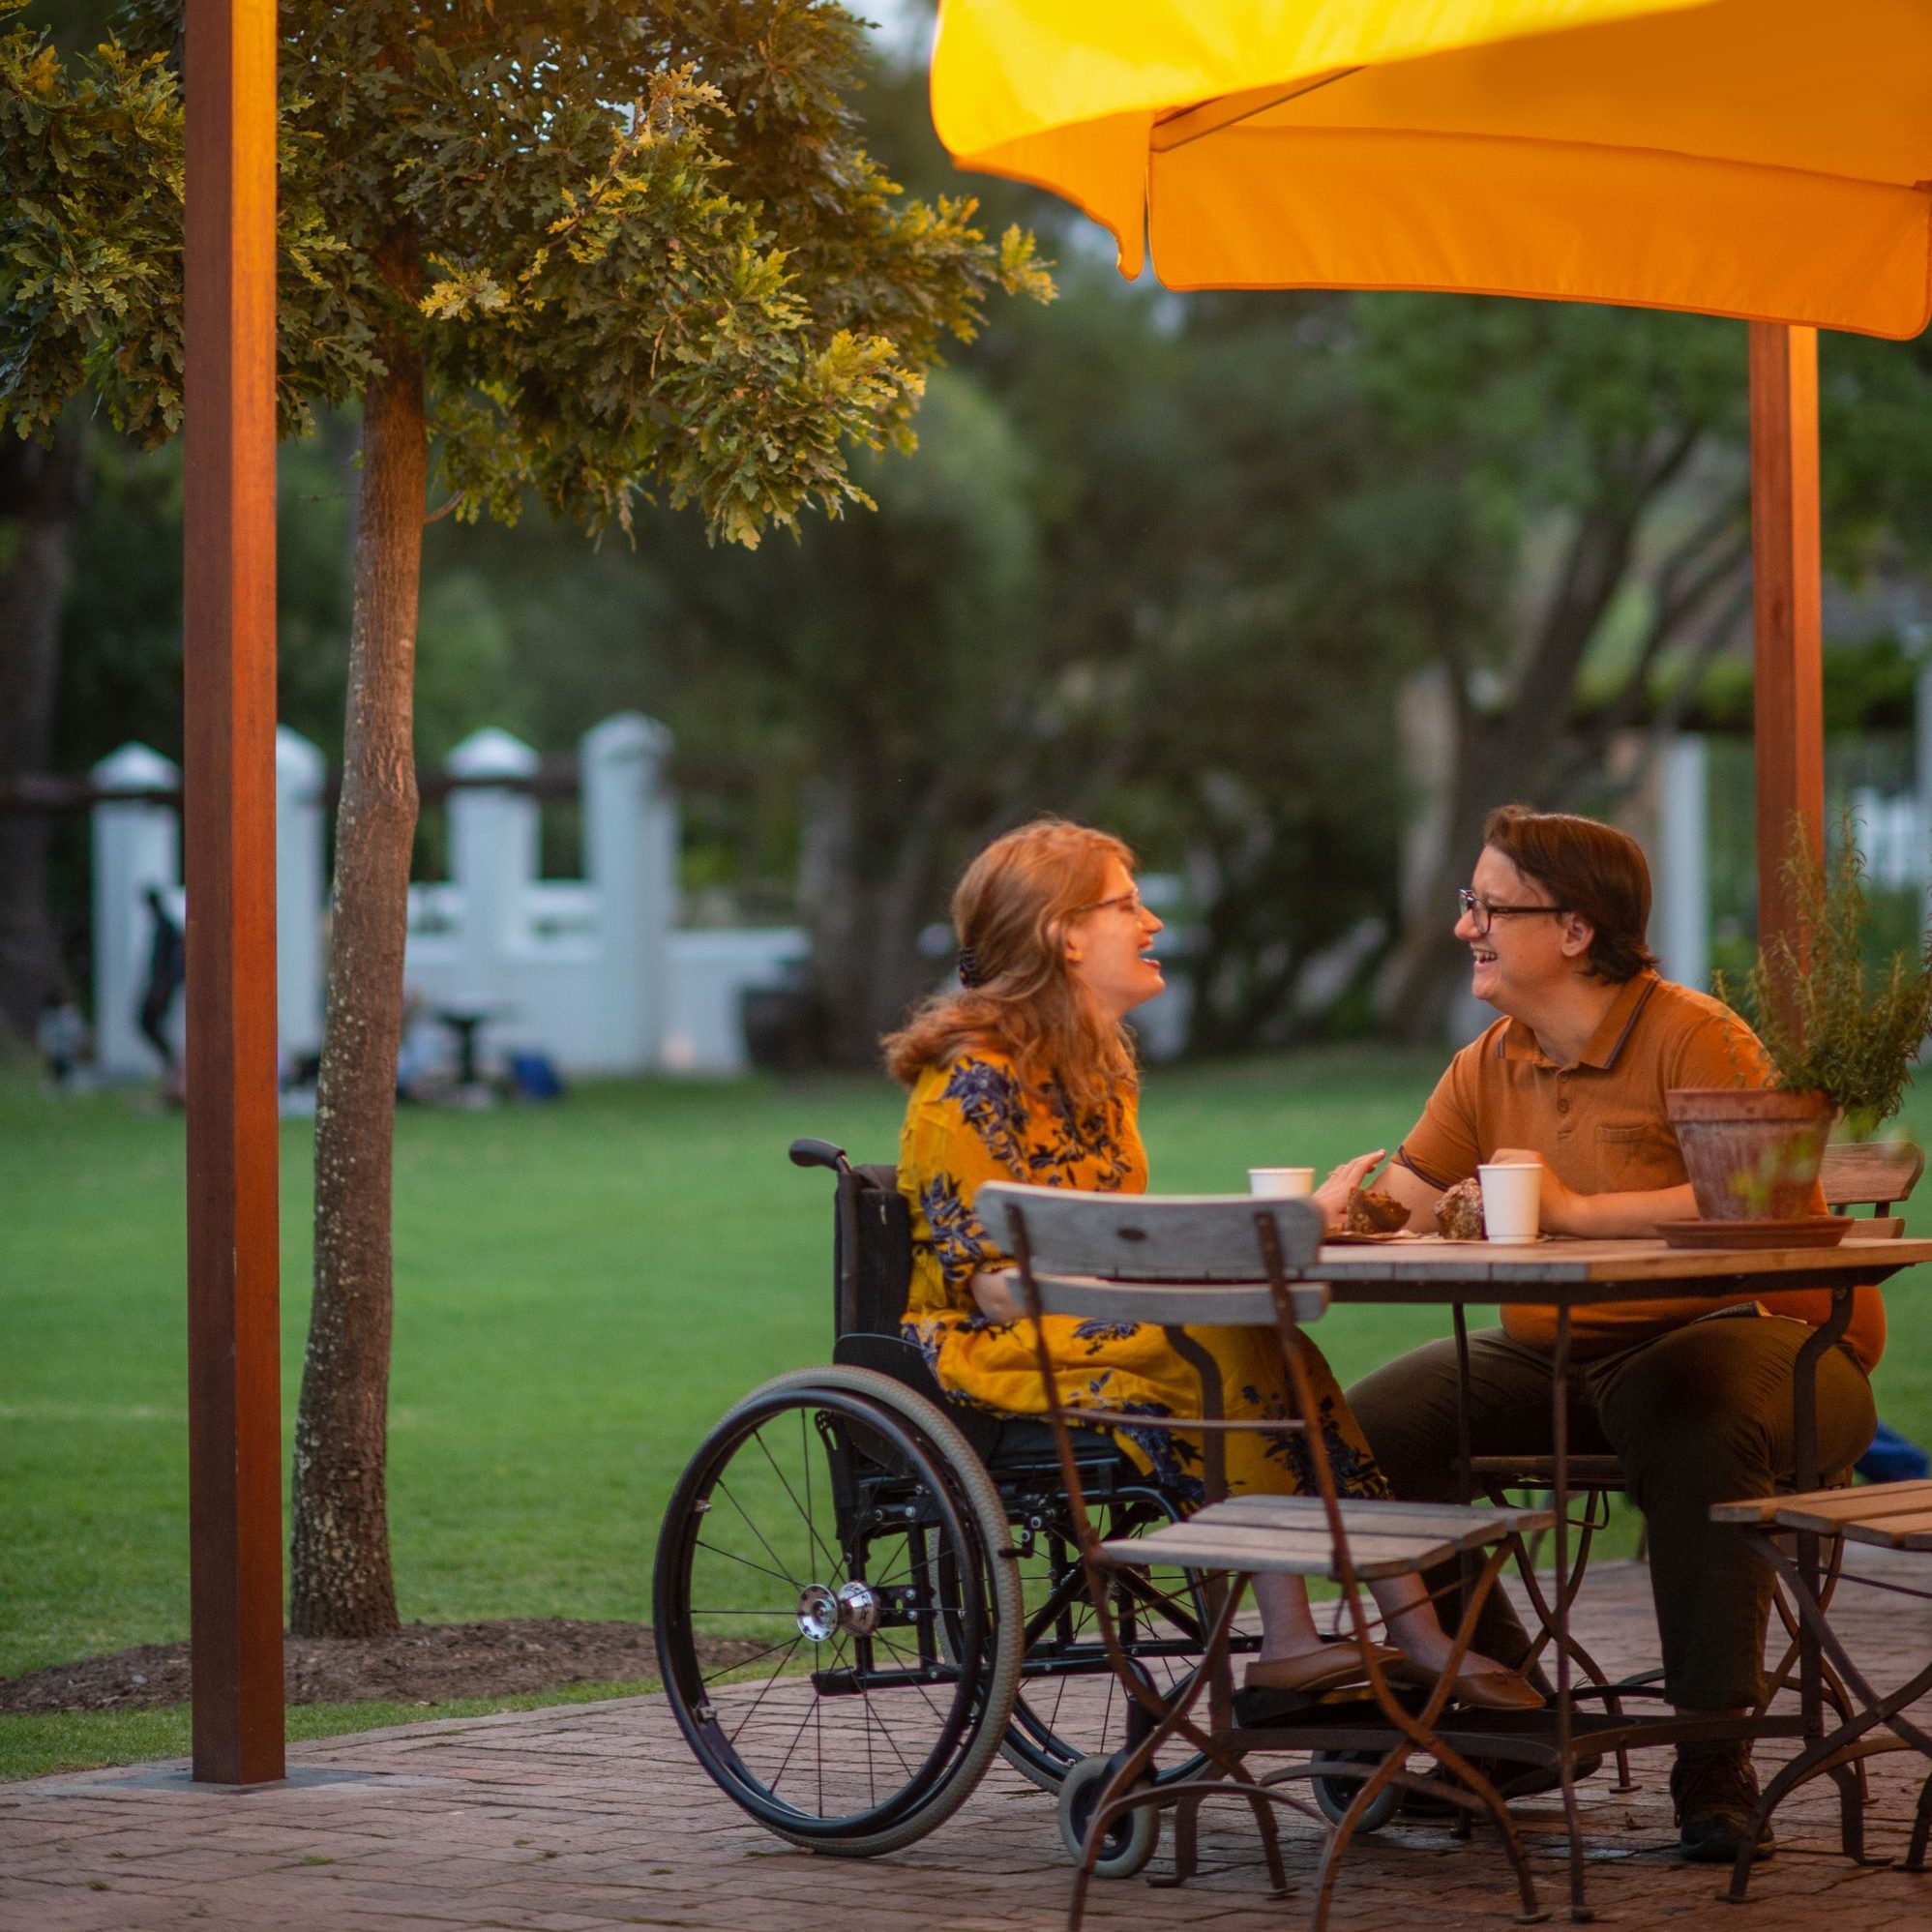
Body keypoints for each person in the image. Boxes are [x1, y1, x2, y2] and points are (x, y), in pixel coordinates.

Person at [885, 817, 1539, 1707]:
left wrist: (1213, 1262)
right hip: (993, 1341)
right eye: (1125, 904)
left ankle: (1410, 1625)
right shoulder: (966, 1089)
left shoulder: (1096, 1067)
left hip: (1097, 1320)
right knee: (1218, 1344)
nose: (1151, 922)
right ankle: (1292, 1640)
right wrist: (1228, 1253)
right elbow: (992, 1286)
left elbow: (1106, 1233)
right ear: (1063, 934)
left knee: (1273, 1344)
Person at [1345, 805, 1882, 1860]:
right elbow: (1398, 1199)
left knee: (1687, 1412)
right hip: (1557, 1354)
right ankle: (1507, 1716)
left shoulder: (1694, 1035)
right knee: (1360, 1432)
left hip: (1755, 1344)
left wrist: (1581, 1213)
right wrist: (1343, 1198)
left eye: (1485, 906)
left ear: (1574, 928)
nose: (1465, 929)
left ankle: (1710, 1754)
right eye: (1468, 906)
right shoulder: (1488, 1060)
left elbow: (1766, 1203)